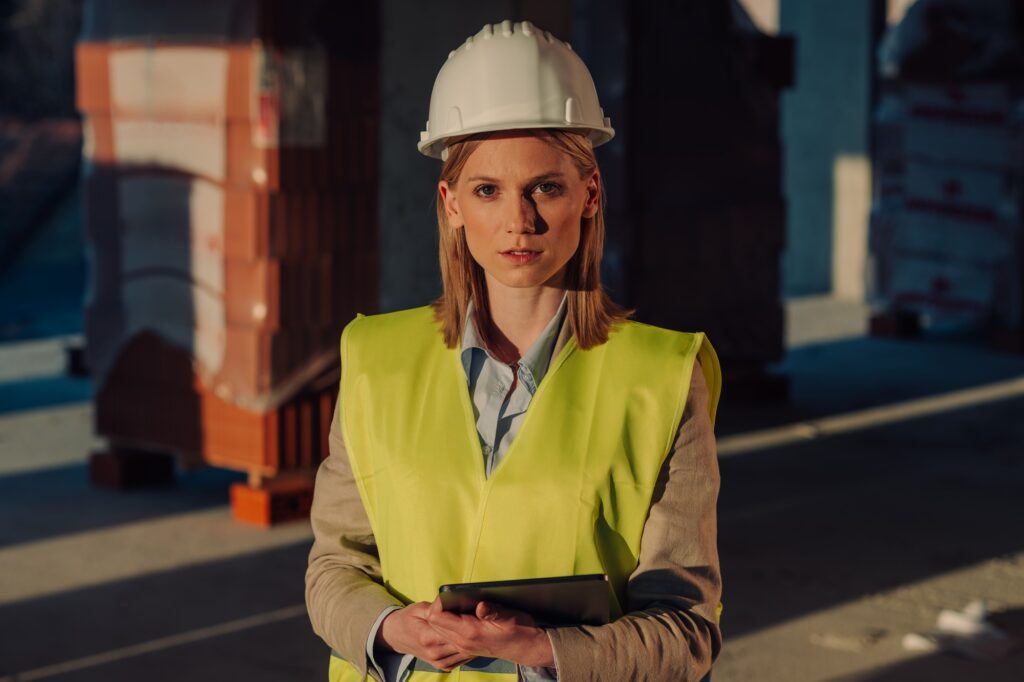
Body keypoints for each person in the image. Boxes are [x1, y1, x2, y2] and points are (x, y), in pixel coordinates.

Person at [306, 19, 723, 682]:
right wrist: (389, 627)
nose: (518, 221)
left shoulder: (663, 378)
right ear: (450, 204)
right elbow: (336, 567)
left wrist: (540, 650)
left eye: (546, 188)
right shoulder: (374, 359)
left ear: (589, 196)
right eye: (487, 190)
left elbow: (686, 632)